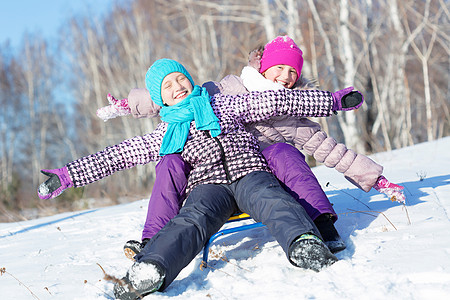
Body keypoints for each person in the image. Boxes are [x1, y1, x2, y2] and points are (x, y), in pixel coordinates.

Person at [39, 58, 363, 298]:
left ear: (190, 80)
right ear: (161, 99)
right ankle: (151, 269)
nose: (177, 86)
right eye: (168, 86)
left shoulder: (225, 104)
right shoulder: (165, 132)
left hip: (251, 171)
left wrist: (332, 101)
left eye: (180, 79)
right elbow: (117, 155)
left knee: (274, 199)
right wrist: (66, 176)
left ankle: (303, 242)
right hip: (207, 187)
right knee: (192, 220)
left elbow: (278, 100)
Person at [97, 36, 405, 257]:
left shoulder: (292, 113)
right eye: (279, 69)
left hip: (262, 172)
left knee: (284, 152)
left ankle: (321, 223)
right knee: (169, 161)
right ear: (264, 67)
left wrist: (375, 178)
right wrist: (128, 104)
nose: (285, 78)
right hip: (216, 168)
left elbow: (332, 150)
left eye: (292, 73)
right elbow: (176, 93)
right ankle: (154, 239)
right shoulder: (228, 89)